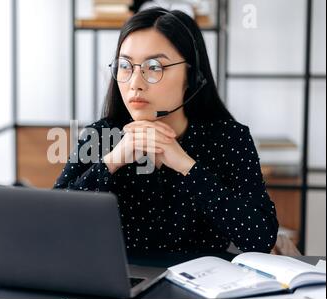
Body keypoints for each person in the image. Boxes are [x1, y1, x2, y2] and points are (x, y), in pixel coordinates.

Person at [54, 8, 279, 254]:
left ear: (190, 76)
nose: (135, 84)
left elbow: (260, 239)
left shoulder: (229, 138)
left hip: (202, 284)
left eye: (154, 67)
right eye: (125, 66)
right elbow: (53, 224)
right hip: (118, 284)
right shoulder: (98, 136)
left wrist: (187, 166)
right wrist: (111, 162)